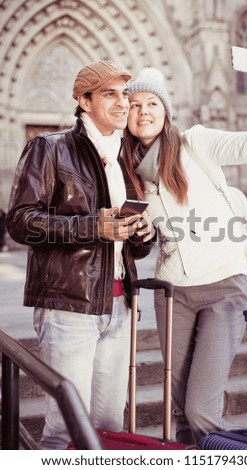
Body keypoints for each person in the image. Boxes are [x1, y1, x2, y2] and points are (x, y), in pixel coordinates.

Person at [122, 50, 247, 445]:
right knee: (181, 410)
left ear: (166, 110)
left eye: (152, 103)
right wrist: (138, 233)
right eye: (134, 104)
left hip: (222, 287)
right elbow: (143, 238)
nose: (144, 111)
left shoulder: (195, 143)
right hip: (172, 293)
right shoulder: (125, 169)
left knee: (200, 409)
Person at [6, 60, 154, 450]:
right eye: (110, 94)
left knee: (107, 425)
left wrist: (142, 233)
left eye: (125, 94)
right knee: (65, 428)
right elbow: (21, 222)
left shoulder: (125, 158)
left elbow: (127, 242)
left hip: (119, 305)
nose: (123, 103)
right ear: (83, 101)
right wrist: (93, 226)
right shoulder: (50, 148)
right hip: (69, 306)